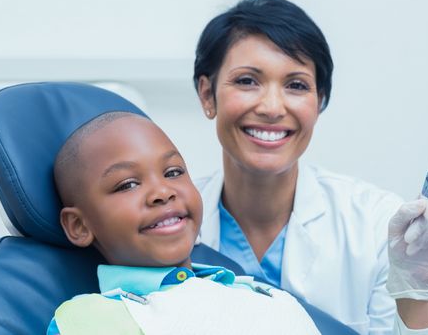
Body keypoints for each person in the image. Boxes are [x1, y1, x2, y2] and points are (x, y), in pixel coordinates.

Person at [193, 0, 428, 334]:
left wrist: (417, 295)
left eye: (296, 85)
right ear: (206, 94)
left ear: (318, 103)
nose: (272, 107)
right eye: (247, 81)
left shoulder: (375, 225)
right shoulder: (169, 221)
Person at [47, 111, 323, 334]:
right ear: (79, 226)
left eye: (173, 171)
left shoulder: (260, 294)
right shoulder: (87, 320)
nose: (163, 192)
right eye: (128, 184)